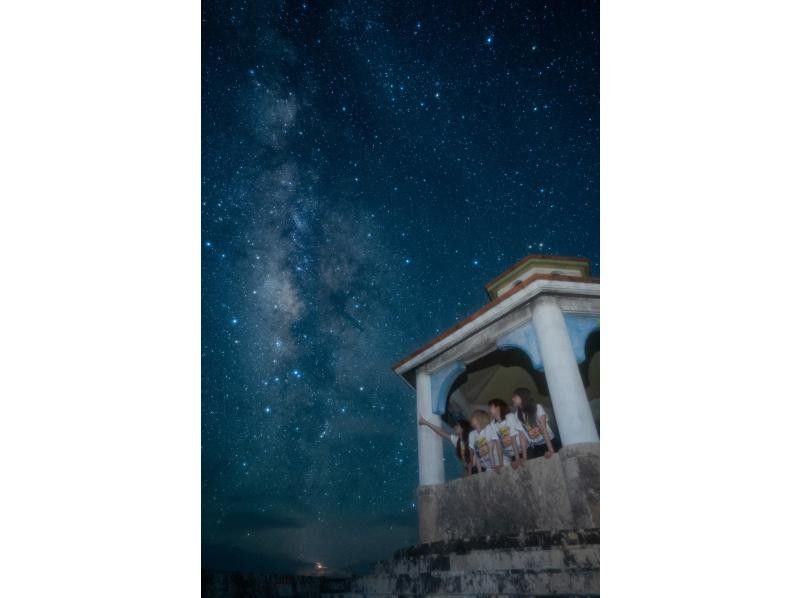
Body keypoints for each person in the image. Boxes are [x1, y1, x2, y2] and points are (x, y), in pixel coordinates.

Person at [511, 387, 560, 459]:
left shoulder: (537, 407)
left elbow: (543, 429)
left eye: (515, 397)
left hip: (550, 442)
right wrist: (524, 458)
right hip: (536, 447)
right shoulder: (517, 415)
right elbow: (522, 437)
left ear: (522, 396)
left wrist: (551, 450)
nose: (512, 399)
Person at [487, 398, 527, 469]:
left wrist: (518, 459)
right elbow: (498, 444)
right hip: (512, 454)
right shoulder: (493, 424)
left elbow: (513, 439)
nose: (489, 410)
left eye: (491, 407)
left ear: (498, 408)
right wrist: (501, 464)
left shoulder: (509, 417)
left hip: (522, 451)